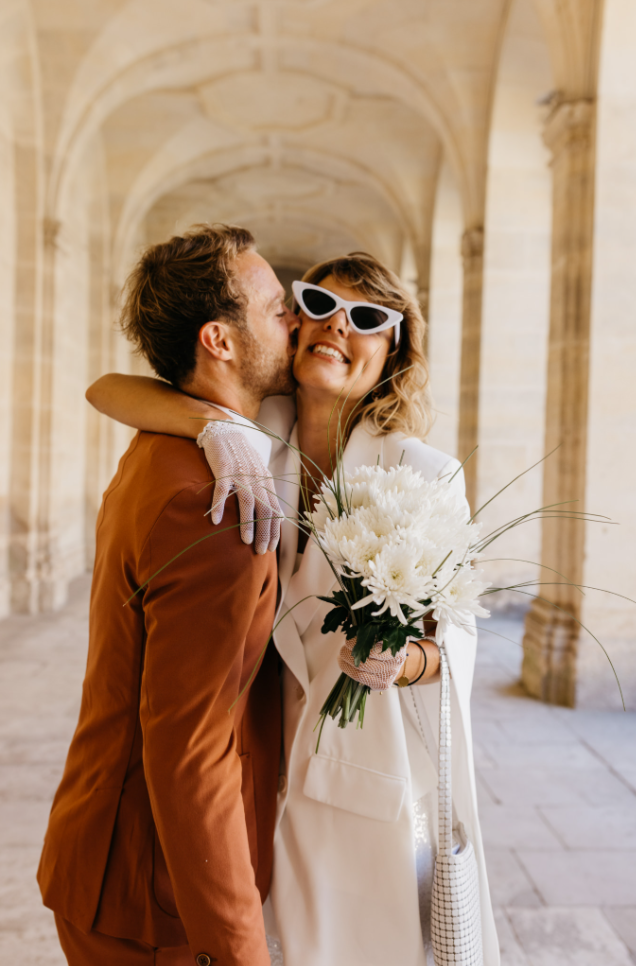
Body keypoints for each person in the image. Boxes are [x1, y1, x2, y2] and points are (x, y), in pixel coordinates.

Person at [87, 247, 500, 965]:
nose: (339, 325)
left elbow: (457, 636)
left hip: (362, 770)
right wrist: (213, 427)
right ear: (297, 324)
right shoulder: (254, 428)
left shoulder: (423, 472)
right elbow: (106, 389)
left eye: (367, 319)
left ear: (393, 349)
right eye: (319, 304)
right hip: (258, 770)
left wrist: (403, 661)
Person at [38, 224, 300, 966]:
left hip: (115, 857)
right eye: (276, 306)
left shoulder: (169, 446)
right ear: (219, 340)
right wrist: (237, 947)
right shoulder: (218, 503)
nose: (294, 320)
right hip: (150, 892)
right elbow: (190, 751)